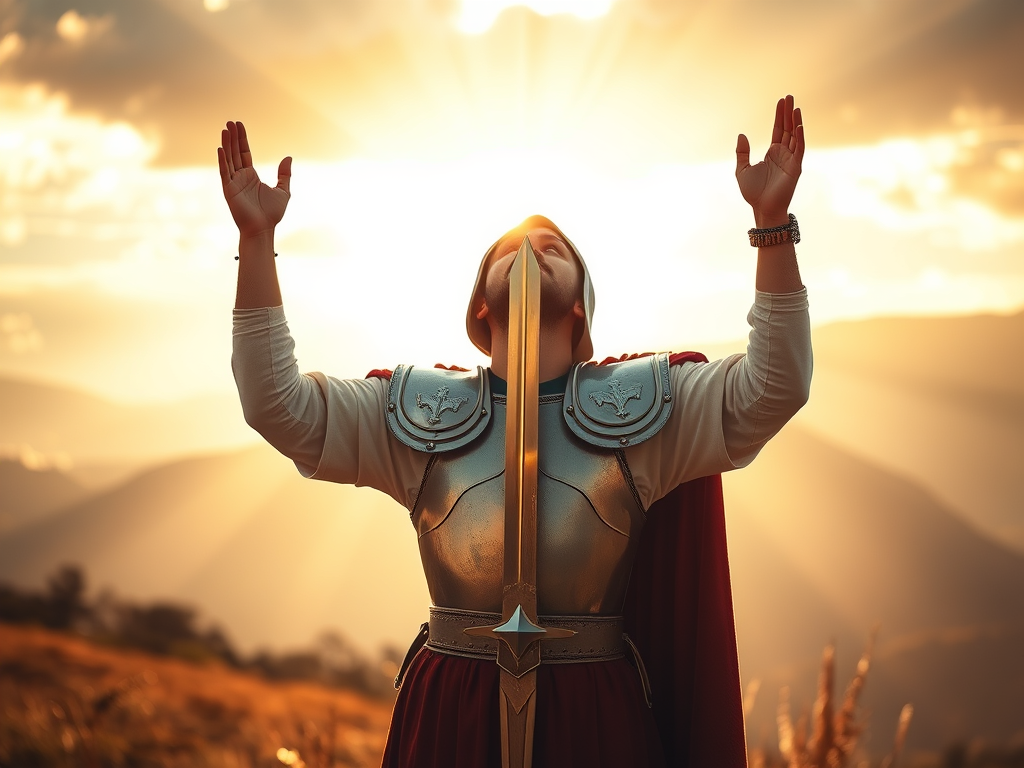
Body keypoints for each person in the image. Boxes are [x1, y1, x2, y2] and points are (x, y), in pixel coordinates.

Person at [221, 95, 812, 767]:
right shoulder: (416, 411)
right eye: (510, 249)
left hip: (595, 709)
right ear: (478, 305)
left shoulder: (647, 408)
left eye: (552, 247)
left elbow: (775, 387)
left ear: (584, 312)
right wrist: (256, 243)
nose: (531, 253)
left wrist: (771, 223)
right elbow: (277, 407)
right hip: (452, 701)